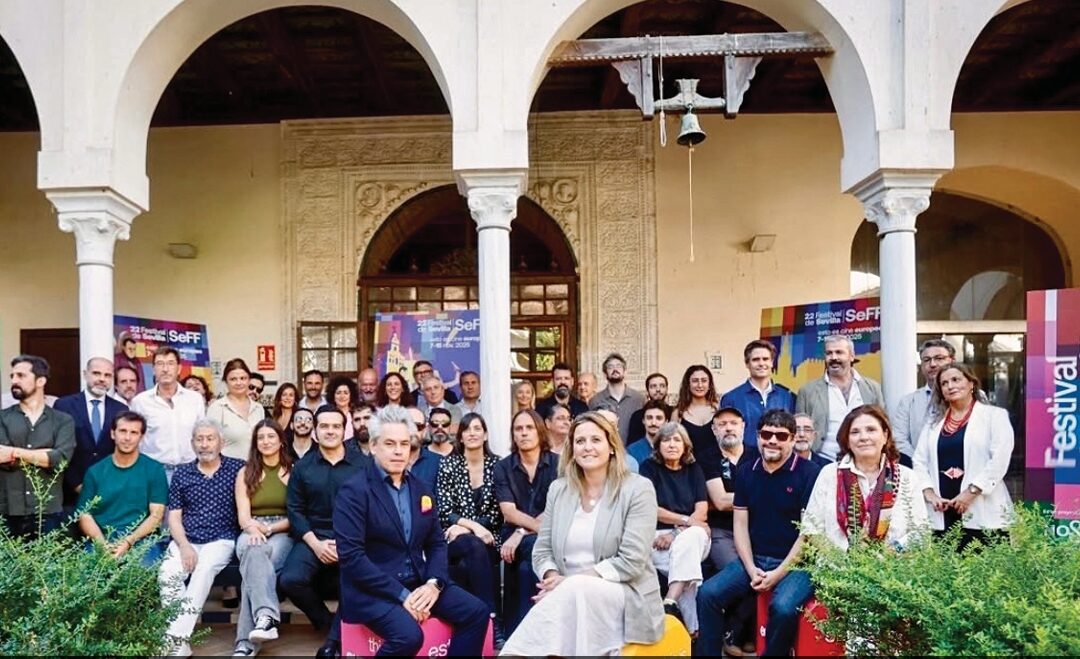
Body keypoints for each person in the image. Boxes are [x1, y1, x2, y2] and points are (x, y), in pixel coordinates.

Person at [501, 411, 664, 656]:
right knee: (571, 596)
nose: (587, 447)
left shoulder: (638, 489)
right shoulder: (559, 489)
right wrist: (553, 577)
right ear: (572, 449)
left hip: (624, 593)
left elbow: (632, 561)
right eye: (580, 441)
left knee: (575, 592)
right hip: (566, 595)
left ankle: (515, 653)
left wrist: (569, 583)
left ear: (611, 446)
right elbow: (542, 548)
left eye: (596, 440)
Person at [332, 404, 489, 657]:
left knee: (477, 613)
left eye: (404, 444)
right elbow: (352, 558)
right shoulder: (353, 491)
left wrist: (433, 584)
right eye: (390, 444)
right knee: (408, 636)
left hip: (419, 582)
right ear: (373, 446)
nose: (398, 451)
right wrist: (403, 595)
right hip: (372, 591)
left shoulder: (421, 488)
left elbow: (437, 543)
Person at [697, 409, 821, 658]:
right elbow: (740, 524)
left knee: (784, 608)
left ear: (793, 439)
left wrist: (777, 574)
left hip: (797, 564)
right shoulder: (746, 471)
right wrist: (751, 567)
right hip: (755, 558)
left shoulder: (810, 473)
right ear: (757, 436)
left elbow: (808, 535)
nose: (772, 440)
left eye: (781, 435)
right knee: (707, 594)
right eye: (766, 434)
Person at [280, 407, 371, 658]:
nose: (330, 431)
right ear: (316, 431)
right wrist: (315, 544)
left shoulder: (364, 465)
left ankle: (337, 640)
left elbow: (372, 508)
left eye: (336, 426)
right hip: (313, 536)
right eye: (324, 426)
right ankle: (330, 626)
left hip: (353, 539)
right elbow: (295, 510)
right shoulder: (302, 467)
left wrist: (346, 543)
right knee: (290, 580)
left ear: (344, 430)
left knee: (353, 582)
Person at [159, 418, 244, 657]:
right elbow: (174, 517)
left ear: (221, 442)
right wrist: (184, 546)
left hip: (221, 539)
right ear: (192, 443)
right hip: (186, 538)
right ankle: (180, 643)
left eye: (210, 438)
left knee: (203, 572)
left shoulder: (237, 468)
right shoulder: (182, 473)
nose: (205, 444)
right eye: (200, 439)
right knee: (167, 576)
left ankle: (173, 641)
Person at [914, 363, 1014, 549]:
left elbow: (999, 459)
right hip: (942, 512)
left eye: (956, 380)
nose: (950, 386)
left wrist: (971, 492)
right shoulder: (932, 423)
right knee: (946, 572)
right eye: (944, 383)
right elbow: (919, 461)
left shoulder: (995, 416)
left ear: (971, 384)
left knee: (988, 572)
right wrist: (929, 494)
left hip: (982, 508)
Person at [802, 405, 928, 551]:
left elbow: (920, 533)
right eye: (855, 432)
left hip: (894, 569)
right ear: (847, 441)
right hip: (836, 570)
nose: (863, 437)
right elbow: (812, 529)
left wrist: (891, 554)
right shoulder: (829, 474)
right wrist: (842, 563)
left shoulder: (907, 477)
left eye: (871, 430)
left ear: (885, 436)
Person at [436, 413, 505, 643]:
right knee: (471, 545)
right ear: (461, 437)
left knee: (469, 560)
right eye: (467, 429)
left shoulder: (498, 465)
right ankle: (492, 620)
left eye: (478, 428)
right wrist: (473, 527)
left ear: (485, 435)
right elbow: (444, 511)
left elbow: (498, 512)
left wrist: (464, 526)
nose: (473, 433)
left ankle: (478, 621)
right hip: (455, 539)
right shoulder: (448, 463)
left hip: (489, 538)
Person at [639, 422, 710, 633]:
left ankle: (669, 600)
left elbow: (702, 511)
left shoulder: (694, 469)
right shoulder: (648, 468)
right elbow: (651, 508)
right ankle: (691, 631)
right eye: (666, 440)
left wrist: (676, 531)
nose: (672, 444)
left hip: (689, 536)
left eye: (677, 439)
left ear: (685, 445)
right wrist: (686, 521)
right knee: (687, 566)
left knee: (692, 538)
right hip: (657, 539)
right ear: (658, 445)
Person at [232, 420, 295, 657]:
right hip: (251, 529)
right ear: (255, 443)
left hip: (282, 530)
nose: (266, 441)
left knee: (253, 572)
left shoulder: (292, 471)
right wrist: (254, 528)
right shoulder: (245, 473)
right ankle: (266, 617)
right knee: (254, 550)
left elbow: (295, 515)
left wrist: (270, 529)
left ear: (280, 440)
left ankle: (245, 644)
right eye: (261, 438)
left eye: (271, 436)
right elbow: (243, 516)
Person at [494, 409, 559, 633]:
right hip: (513, 535)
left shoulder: (559, 464)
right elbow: (509, 512)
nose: (523, 433)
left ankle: (520, 629)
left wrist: (521, 532)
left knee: (525, 565)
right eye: (518, 429)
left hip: (543, 533)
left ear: (540, 431)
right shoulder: (503, 467)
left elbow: (554, 507)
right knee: (525, 557)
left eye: (529, 428)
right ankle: (531, 628)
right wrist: (522, 531)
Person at [0, 355, 76, 538]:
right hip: (9, 509)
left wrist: (15, 452)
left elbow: (60, 460)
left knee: (48, 566)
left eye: (21, 375)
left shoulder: (63, 420)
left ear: (40, 380)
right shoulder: (2, 418)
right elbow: (3, 459)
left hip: (47, 510)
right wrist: (44, 455)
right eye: (12, 376)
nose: (14, 381)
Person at [76, 411, 167, 565]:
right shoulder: (96, 471)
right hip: (102, 538)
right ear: (113, 434)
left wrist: (128, 541)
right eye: (123, 431)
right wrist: (103, 545)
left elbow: (156, 516)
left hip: (140, 539)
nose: (127, 438)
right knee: (89, 578)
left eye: (134, 432)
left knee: (140, 577)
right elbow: (84, 515)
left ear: (141, 437)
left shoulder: (154, 469)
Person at [796, 334, 884, 461]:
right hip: (822, 463)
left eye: (839, 352)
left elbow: (881, 425)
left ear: (852, 356)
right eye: (829, 353)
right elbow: (800, 432)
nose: (834, 357)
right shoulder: (807, 391)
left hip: (863, 462)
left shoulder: (872, 388)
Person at [54, 357, 127, 510]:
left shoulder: (121, 409)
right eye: (96, 373)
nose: (102, 379)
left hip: (107, 491)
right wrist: (76, 484)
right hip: (70, 492)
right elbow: (58, 448)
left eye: (107, 375)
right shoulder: (64, 405)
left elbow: (121, 449)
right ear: (85, 374)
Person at [131, 347, 207, 483]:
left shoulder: (195, 399)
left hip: (190, 471)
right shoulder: (140, 402)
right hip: (155, 472)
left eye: (170, 363)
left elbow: (202, 435)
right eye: (160, 364)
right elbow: (135, 441)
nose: (165, 369)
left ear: (179, 368)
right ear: (153, 369)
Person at [720, 340, 796, 446]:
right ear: (747, 363)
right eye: (756, 360)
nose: (761, 363)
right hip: (744, 460)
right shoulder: (731, 398)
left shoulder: (786, 397)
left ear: (772, 362)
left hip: (779, 458)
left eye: (765, 359)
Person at [893, 339, 956, 462]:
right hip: (920, 473)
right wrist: (923, 465)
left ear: (952, 361)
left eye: (939, 358)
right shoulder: (908, 402)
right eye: (926, 360)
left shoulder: (972, 396)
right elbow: (899, 440)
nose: (932, 364)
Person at [205, 358, 266, 461]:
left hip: (255, 469)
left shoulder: (258, 408)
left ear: (248, 380)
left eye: (243, 378)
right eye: (233, 379)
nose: (239, 383)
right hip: (227, 471)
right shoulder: (218, 408)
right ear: (225, 382)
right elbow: (209, 443)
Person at [588, 353, 646, 443]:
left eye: (618, 366)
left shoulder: (639, 399)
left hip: (632, 453)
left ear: (625, 371)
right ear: (605, 373)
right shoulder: (595, 401)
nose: (615, 369)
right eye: (610, 367)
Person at [674, 364, 719, 455]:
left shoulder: (719, 409)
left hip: (717, 467)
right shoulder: (678, 413)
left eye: (704, 381)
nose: (700, 385)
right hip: (688, 466)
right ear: (688, 384)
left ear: (709, 384)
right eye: (695, 381)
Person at [626, 372, 670, 449]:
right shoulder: (637, 416)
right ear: (647, 390)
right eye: (653, 386)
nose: (658, 389)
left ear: (667, 389)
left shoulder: (674, 413)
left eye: (662, 386)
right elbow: (632, 445)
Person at [625, 399, 670, 467]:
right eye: (649, 418)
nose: (653, 423)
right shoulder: (632, 451)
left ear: (666, 422)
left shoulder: (672, 448)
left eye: (659, 418)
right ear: (643, 420)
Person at [321, 375, 360, 441]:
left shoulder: (356, 415)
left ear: (351, 395)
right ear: (333, 395)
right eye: (338, 393)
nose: (342, 396)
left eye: (346, 393)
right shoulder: (327, 415)